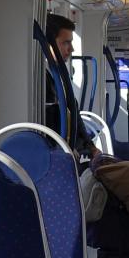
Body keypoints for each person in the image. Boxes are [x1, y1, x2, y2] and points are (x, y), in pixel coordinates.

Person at [43, 12, 95, 157]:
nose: (71, 49)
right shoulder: (42, 79)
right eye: (66, 42)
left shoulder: (59, 75)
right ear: (48, 43)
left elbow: (74, 111)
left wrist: (91, 147)